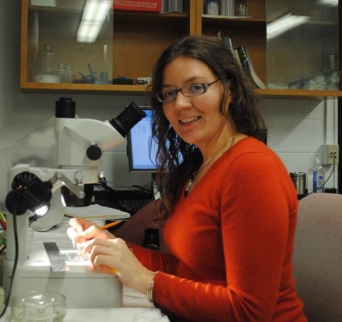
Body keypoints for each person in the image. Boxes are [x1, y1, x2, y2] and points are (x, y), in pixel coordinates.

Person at [67, 35, 307, 321]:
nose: (179, 104)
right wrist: (115, 249)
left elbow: (249, 311)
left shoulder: (251, 169)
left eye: (196, 87)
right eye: (169, 93)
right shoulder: (198, 167)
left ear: (229, 90)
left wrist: (145, 280)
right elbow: (186, 269)